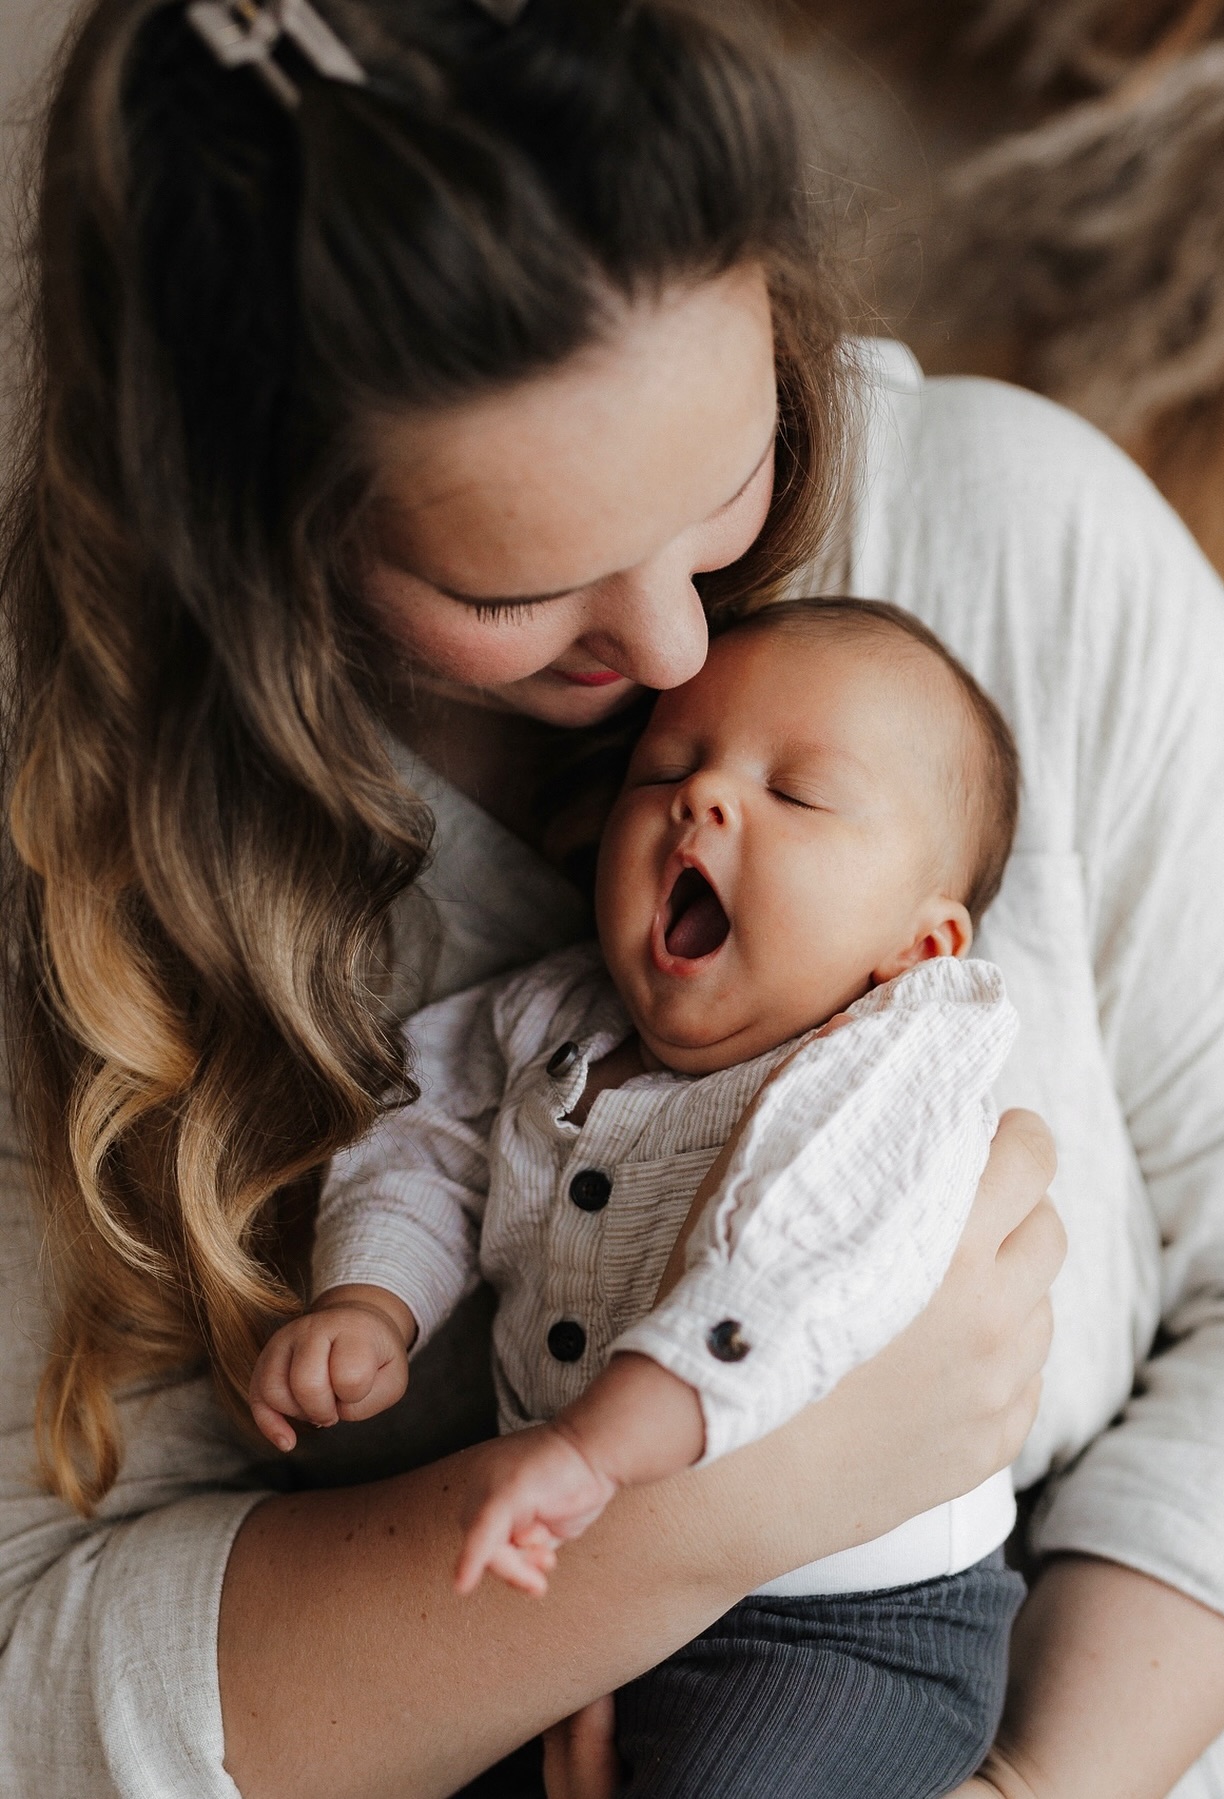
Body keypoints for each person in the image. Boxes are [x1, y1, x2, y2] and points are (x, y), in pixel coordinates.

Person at [0, 3, 1224, 1799]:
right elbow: (32, 1669)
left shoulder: (1018, 537)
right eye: (518, 588)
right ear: (248, 530)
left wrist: (1039, 1782)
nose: (680, 648)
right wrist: (710, 1504)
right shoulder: (72, 870)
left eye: (730, 474)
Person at [250, 599, 1027, 1799]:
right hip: (578, 1595)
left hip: (842, 1618)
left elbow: (794, 1249)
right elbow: (426, 1136)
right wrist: (373, 1298)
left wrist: (589, 1449)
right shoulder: (544, 1018)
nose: (703, 799)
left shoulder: (894, 1056)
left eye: (800, 793)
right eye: (667, 766)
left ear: (922, 944)